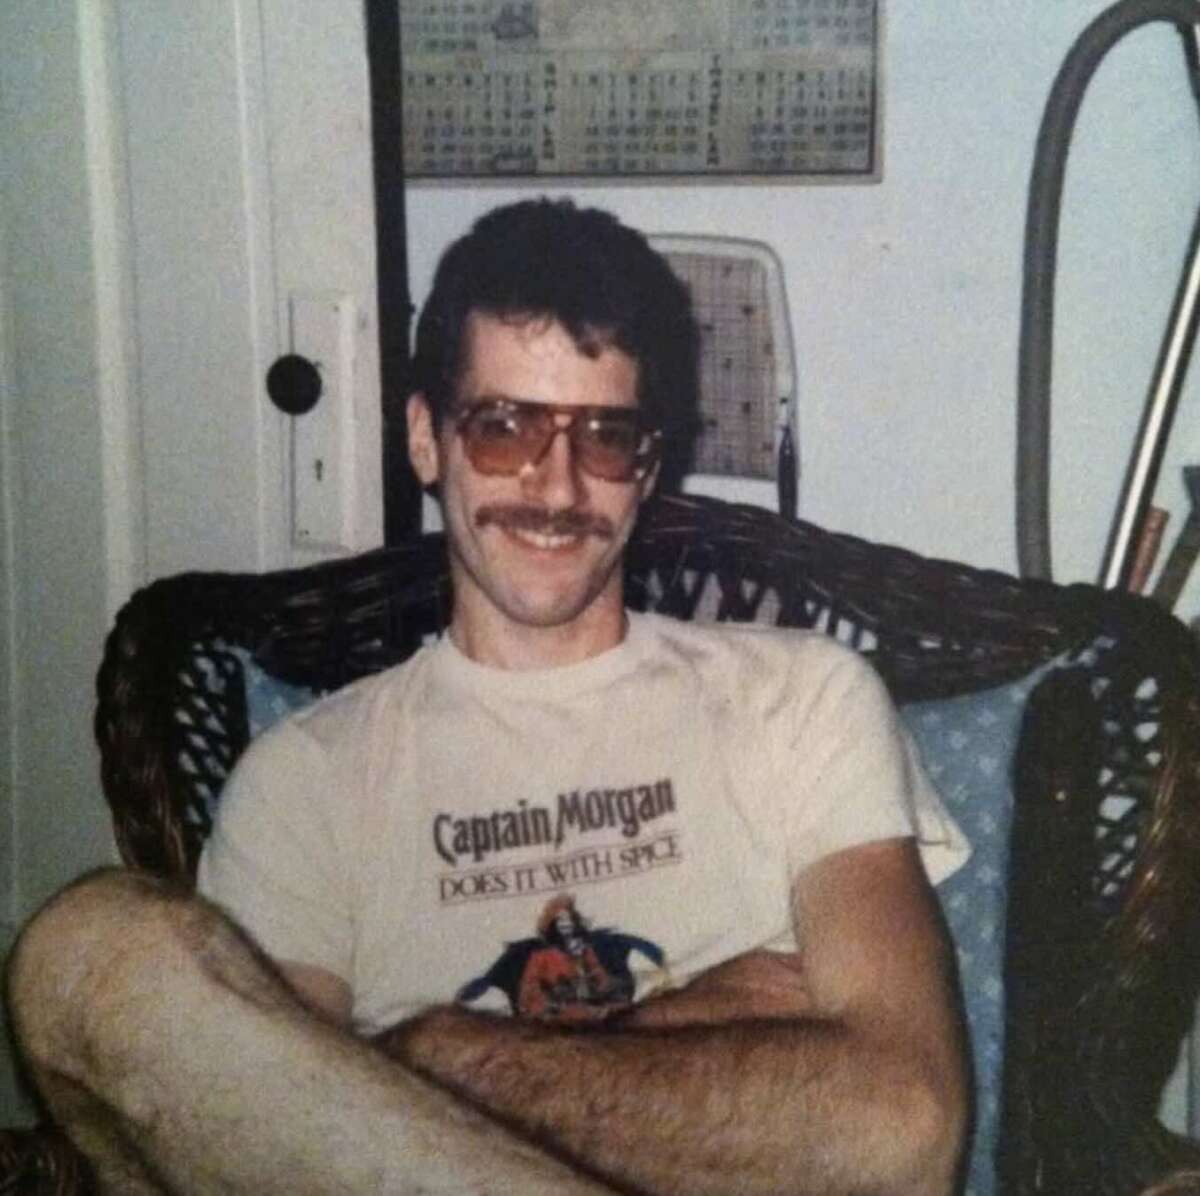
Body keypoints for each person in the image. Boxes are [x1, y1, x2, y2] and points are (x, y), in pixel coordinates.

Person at [8, 198, 970, 1195]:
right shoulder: (310, 779)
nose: (555, 490)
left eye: (605, 436)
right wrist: (694, 1027)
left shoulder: (800, 699)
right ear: (426, 439)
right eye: (503, 427)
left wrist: (433, 1056)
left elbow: (907, 1129)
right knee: (83, 958)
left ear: (649, 467)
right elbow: (263, 1143)